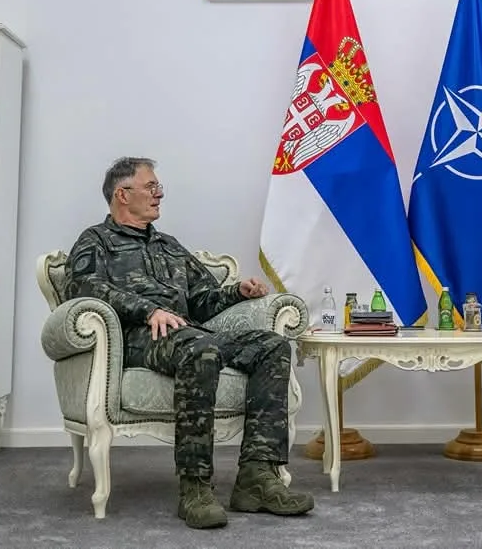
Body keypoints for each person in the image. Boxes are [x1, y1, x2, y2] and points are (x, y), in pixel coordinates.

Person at [64, 157, 315, 529]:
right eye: (150, 186)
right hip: (138, 339)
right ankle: (195, 488)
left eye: (158, 186)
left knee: (272, 347)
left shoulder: (169, 246)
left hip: (190, 334)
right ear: (122, 194)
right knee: (201, 350)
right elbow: (82, 288)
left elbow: (202, 301)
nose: (159, 193)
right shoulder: (96, 241)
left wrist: (237, 292)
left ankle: (257, 478)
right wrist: (147, 310)